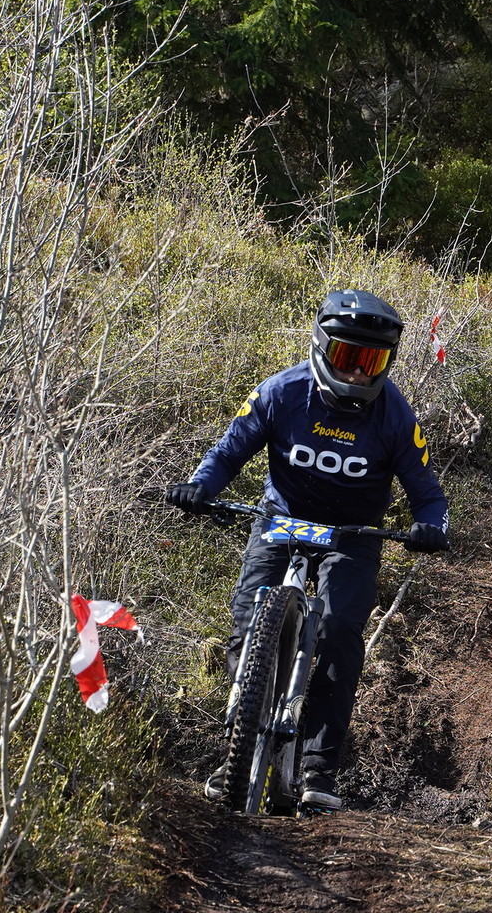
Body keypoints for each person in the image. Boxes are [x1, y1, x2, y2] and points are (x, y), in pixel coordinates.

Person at [165, 290, 451, 811]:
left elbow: (428, 493)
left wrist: (430, 526)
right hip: (280, 518)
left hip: (353, 533)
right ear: (321, 347)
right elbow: (227, 452)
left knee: (339, 631)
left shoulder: (396, 416)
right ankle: (238, 748)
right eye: (348, 357)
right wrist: (200, 487)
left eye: (372, 362)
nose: (359, 372)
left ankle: (319, 767)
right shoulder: (281, 392)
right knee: (248, 623)